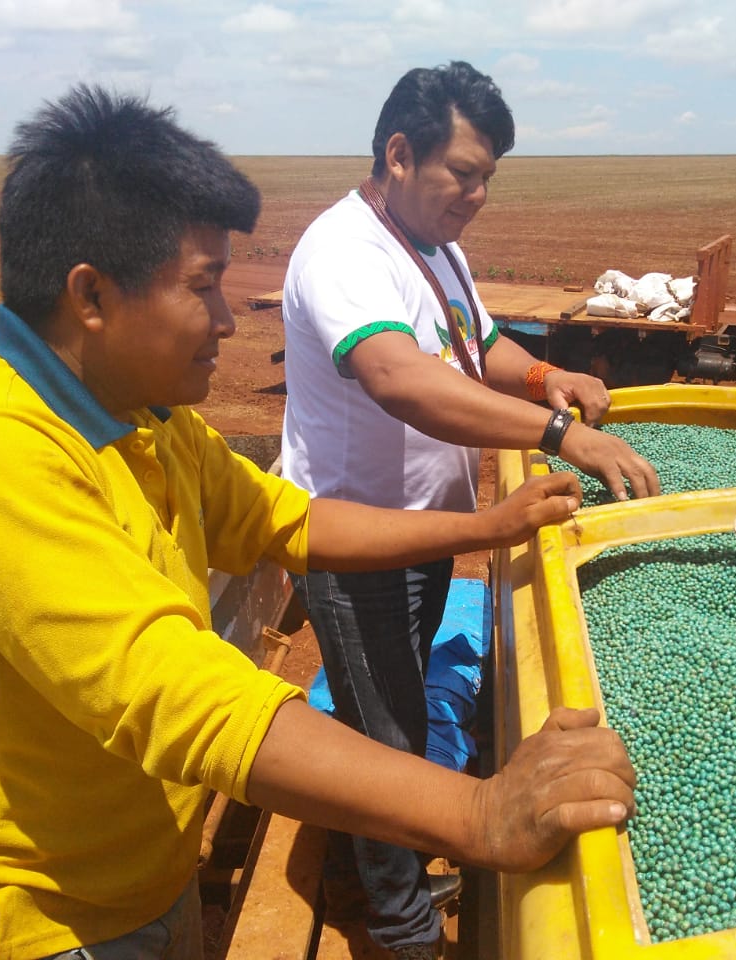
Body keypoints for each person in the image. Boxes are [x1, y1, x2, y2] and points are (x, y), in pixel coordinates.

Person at [0, 85, 636, 960]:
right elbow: (178, 692)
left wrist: (479, 529)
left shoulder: (145, 420)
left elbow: (290, 522)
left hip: (144, 878)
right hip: (43, 923)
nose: (232, 322)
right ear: (91, 295)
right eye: (205, 288)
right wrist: (477, 810)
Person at [280, 61, 661, 957]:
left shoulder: (435, 248)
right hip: (355, 539)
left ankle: (389, 866)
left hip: (424, 535)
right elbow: (401, 379)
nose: (479, 195)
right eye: (465, 173)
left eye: (490, 176)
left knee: (402, 716)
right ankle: (405, 928)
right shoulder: (344, 251)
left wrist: (544, 375)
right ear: (399, 153)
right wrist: (561, 434)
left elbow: (472, 342)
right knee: (383, 736)